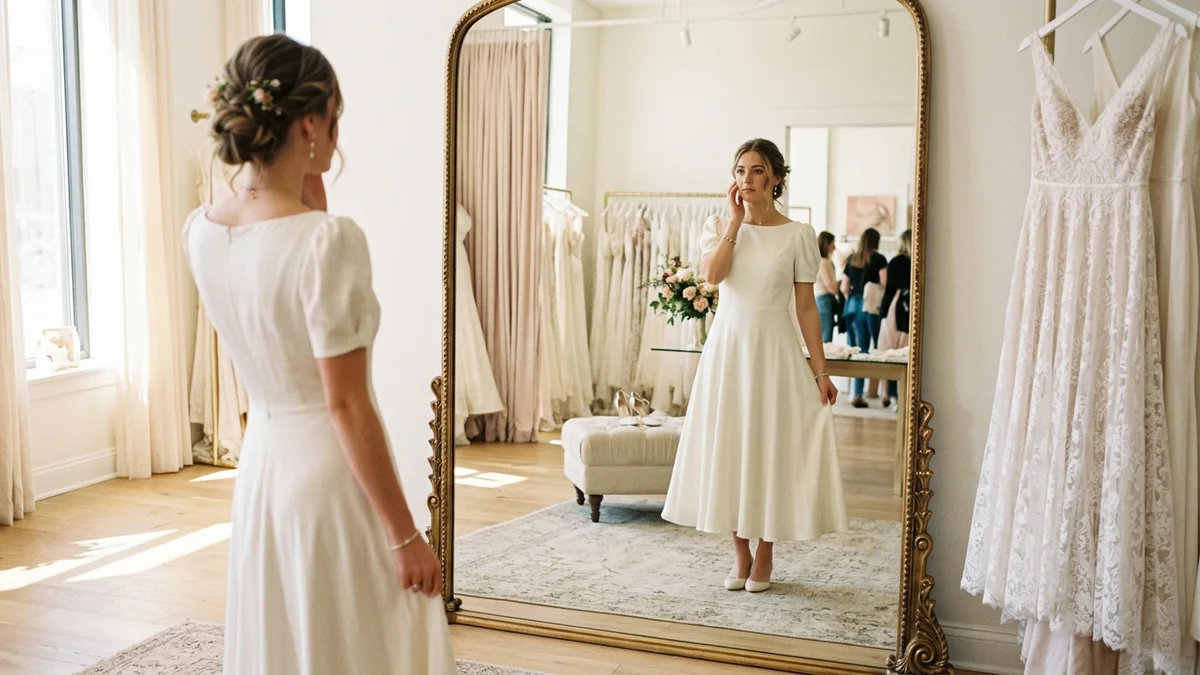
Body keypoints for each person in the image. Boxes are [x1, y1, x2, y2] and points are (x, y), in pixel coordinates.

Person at [181, 34, 455, 674]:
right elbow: (345, 404)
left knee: (291, 633)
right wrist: (406, 535)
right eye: (336, 119)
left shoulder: (200, 230)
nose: (337, 137)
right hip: (330, 479)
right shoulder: (328, 242)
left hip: (264, 468)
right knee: (366, 637)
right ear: (309, 123)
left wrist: (310, 204)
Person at [661, 138, 849, 593]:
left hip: (775, 354)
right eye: (741, 170)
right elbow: (712, 275)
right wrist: (736, 223)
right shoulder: (720, 225)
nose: (746, 180)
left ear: (776, 178)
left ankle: (765, 551)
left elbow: (807, 309)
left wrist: (820, 371)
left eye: (757, 171)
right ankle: (740, 554)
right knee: (731, 448)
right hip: (728, 352)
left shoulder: (798, 234)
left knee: (770, 448)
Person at [840, 228, 887, 408]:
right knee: (863, 351)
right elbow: (884, 282)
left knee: (851, 350)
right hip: (866, 306)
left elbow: (844, 286)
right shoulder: (879, 259)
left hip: (851, 305)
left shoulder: (852, 259)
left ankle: (853, 391)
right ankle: (858, 395)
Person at [877, 229, 912, 408]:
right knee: (904, 352)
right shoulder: (915, 262)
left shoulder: (896, 262)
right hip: (908, 309)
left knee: (889, 352)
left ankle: (889, 394)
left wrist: (882, 312)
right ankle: (900, 396)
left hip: (894, 308)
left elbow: (889, 288)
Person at [814, 230, 839, 342]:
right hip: (825, 301)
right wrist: (839, 285)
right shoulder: (823, 262)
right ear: (826, 244)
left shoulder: (824, 261)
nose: (834, 246)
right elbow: (830, 286)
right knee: (826, 336)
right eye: (832, 243)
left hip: (824, 300)